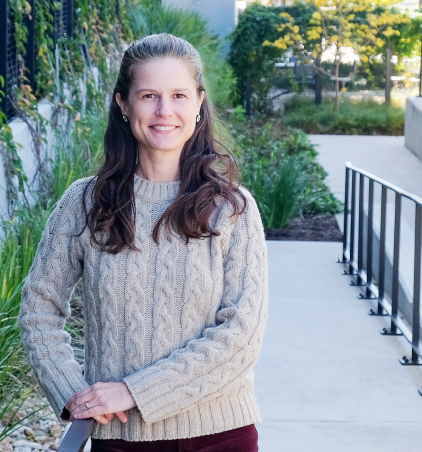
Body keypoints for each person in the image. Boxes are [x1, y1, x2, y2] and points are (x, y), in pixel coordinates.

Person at [17, 33, 269, 452]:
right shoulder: (84, 203)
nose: (164, 111)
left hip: (221, 436)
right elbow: (39, 308)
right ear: (123, 103)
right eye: (149, 95)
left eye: (179, 96)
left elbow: (241, 335)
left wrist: (133, 392)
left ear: (199, 103)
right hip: (120, 441)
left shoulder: (232, 209)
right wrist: (74, 394)